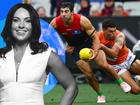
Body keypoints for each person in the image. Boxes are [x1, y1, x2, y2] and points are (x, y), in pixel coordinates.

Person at [50, 2, 131, 103]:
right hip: (76, 49)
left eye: (66, 11)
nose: (63, 14)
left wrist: (95, 52)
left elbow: (95, 37)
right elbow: (49, 38)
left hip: (90, 44)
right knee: (89, 75)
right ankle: (100, 95)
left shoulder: (82, 20)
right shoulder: (55, 22)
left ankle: (121, 82)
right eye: (61, 11)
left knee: (103, 64)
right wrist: (62, 48)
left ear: (72, 12)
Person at [0, 3, 78, 105]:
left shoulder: (47, 55)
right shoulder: (1, 56)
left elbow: (72, 87)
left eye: (28, 21)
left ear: (34, 25)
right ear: (9, 24)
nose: (21, 25)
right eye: (16, 20)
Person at [98, 19, 140, 94]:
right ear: (104, 30)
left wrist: (102, 46)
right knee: (136, 91)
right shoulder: (97, 37)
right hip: (117, 67)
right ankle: (136, 80)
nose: (113, 33)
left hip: (128, 59)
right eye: (110, 31)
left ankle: (137, 79)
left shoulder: (120, 35)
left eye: (114, 30)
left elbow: (114, 54)